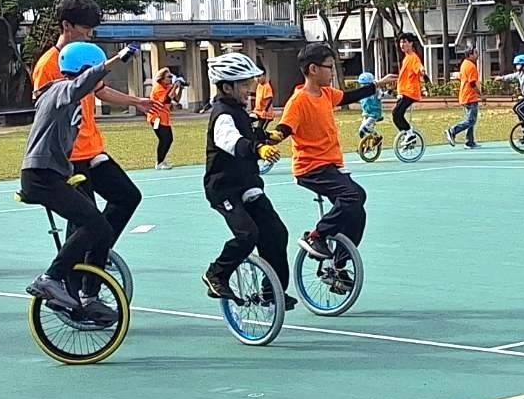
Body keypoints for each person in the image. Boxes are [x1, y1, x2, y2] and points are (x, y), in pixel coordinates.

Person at [31, 0, 161, 254]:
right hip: (69, 155)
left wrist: (137, 101)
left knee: (128, 197)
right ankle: (71, 277)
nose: (89, 36)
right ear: (67, 26)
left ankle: (96, 253)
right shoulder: (48, 65)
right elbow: (45, 110)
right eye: (85, 30)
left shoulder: (81, 56)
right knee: (84, 218)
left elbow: (99, 89)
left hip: (93, 148)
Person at [22, 41, 139, 317]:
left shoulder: (67, 99)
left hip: (55, 174)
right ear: (85, 70)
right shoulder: (62, 90)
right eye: (96, 73)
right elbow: (83, 82)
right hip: (41, 176)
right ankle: (52, 278)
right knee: (96, 225)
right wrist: (116, 60)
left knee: (99, 227)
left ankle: (88, 294)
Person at [271, 42, 393, 261]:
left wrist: (376, 85)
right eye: (329, 66)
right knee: (352, 195)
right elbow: (284, 128)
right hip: (310, 168)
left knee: (357, 211)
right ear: (313, 69)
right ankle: (316, 235)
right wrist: (267, 140)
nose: (333, 72)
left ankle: (339, 266)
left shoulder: (326, 94)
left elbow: (348, 97)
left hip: (330, 166)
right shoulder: (298, 101)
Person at [201, 52, 295, 310]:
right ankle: (217, 274)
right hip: (224, 189)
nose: (250, 89)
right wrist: (258, 149)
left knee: (276, 232)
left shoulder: (239, 110)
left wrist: (267, 138)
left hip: (247, 182)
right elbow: (231, 141)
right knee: (248, 234)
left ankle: (271, 291)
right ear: (226, 87)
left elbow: (250, 133)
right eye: (244, 84)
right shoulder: (222, 114)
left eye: (250, 83)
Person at [444, 46, 482, 149]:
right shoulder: (471, 66)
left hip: (465, 95)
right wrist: (480, 94)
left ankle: (469, 141)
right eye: (476, 53)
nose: (477, 55)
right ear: (470, 54)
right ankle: (453, 130)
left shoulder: (464, 64)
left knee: (470, 119)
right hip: (470, 96)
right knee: (471, 120)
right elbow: (472, 83)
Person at [146, 68, 184, 170]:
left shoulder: (168, 87)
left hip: (164, 117)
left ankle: (161, 161)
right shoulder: (158, 88)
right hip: (156, 118)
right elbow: (167, 100)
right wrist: (175, 86)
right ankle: (159, 162)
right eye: (169, 77)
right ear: (162, 79)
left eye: (171, 77)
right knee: (164, 139)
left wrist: (179, 88)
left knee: (169, 139)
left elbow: (176, 99)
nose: (171, 79)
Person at [392, 32, 428, 139]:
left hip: (410, 92)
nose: (402, 44)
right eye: (401, 42)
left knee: (396, 113)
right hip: (404, 92)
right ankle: (407, 135)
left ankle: (409, 133)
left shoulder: (413, 57)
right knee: (396, 116)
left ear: (411, 43)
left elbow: (419, 66)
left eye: (404, 42)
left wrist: (422, 70)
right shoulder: (406, 58)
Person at [356, 72, 384, 142]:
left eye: (365, 84)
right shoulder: (361, 93)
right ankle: (365, 144)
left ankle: (377, 137)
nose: (363, 86)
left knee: (364, 127)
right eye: (362, 84)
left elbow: (381, 95)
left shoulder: (376, 92)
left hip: (374, 113)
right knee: (361, 131)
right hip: (366, 113)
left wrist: (388, 92)